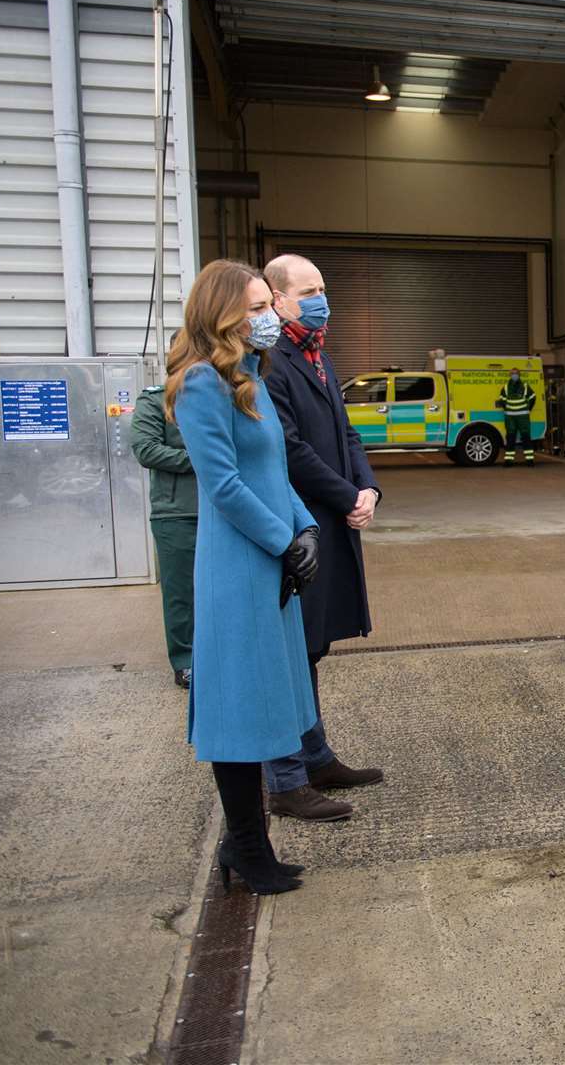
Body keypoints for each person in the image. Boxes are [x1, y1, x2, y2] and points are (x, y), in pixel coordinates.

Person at [164, 258, 320, 895]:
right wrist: (285, 541)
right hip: (239, 566)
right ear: (223, 314)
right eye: (256, 308)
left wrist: (304, 526)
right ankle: (248, 849)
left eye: (268, 306)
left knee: (265, 700)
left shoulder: (251, 378)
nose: (270, 318)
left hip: (271, 557)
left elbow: (274, 473)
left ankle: (245, 842)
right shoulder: (201, 385)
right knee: (237, 709)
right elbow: (224, 485)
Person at [260, 253, 385, 821]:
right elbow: (290, 450)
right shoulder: (272, 364)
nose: (320, 298)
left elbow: (347, 432)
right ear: (278, 299)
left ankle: (315, 757)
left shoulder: (318, 357)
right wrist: (343, 495)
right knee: (292, 652)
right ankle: (288, 775)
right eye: (307, 290)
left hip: (329, 521)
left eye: (323, 287)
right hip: (298, 528)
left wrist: (367, 490)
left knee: (311, 649)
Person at [130, 383, 197, 689]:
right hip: (176, 512)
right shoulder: (156, 399)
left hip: (221, 508)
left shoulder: (222, 394)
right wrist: (201, 460)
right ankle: (185, 660)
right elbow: (145, 449)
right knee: (181, 593)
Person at [496, 369, 537, 467]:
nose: (514, 375)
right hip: (510, 417)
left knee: (526, 438)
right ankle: (508, 461)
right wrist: (507, 409)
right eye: (513, 373)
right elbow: (502, 400)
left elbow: (533, 397)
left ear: (519, 375)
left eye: (516, 373)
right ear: (510, 375)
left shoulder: (525, 386)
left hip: (522, 416)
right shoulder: (505, 387)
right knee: (510, 439)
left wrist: (528, 409)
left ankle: (530, 460)